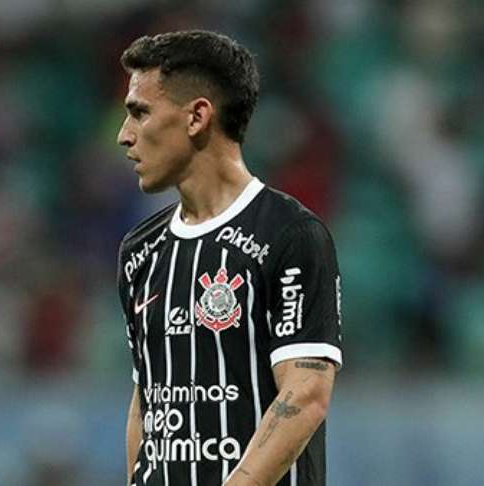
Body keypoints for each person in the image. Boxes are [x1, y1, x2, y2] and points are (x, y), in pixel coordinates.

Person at [116, 30, 343, 486]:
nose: (125, 135)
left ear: (197, 116)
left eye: (140, 113)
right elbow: (148, 402)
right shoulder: (140, 251)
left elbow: (306, 394)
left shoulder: (289, 235)